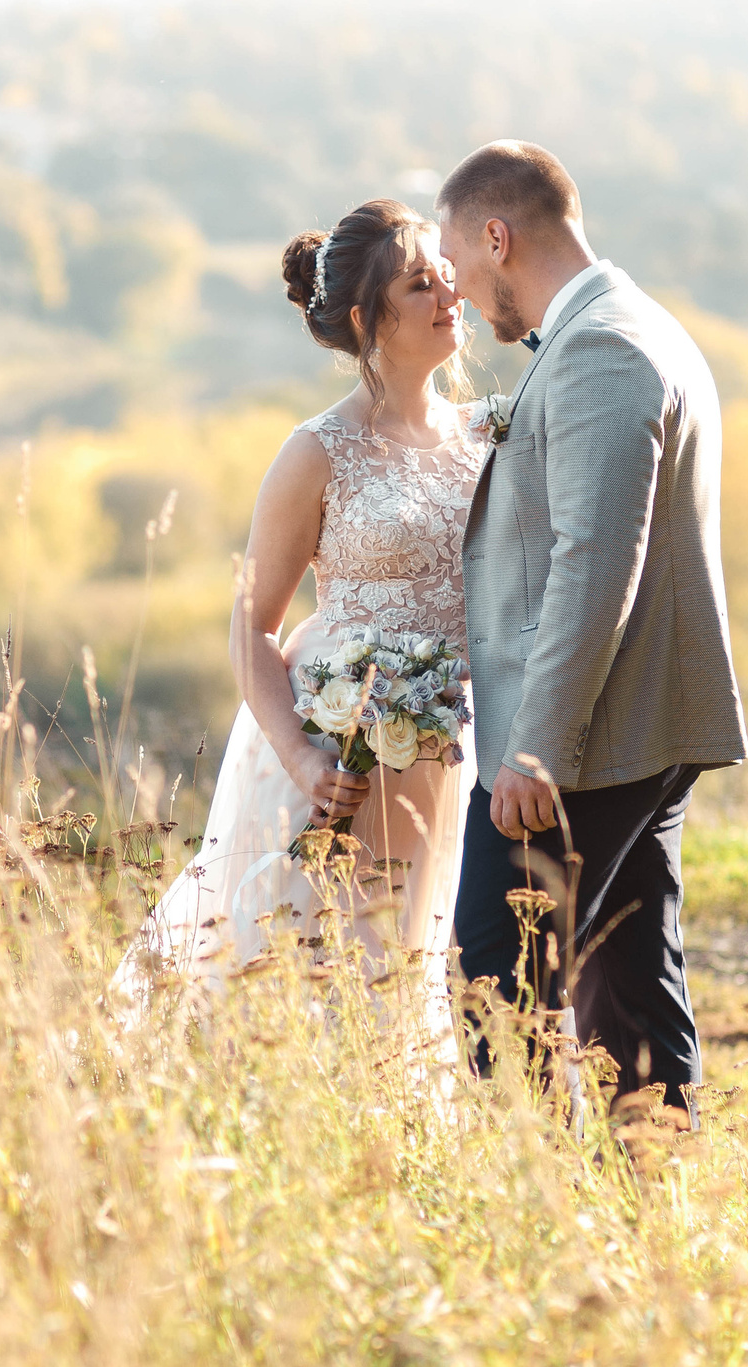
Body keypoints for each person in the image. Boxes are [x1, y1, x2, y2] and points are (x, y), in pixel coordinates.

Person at [435, 140, 748, 1115]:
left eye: (458, 265)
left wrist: (535, 743)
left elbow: (592, 561)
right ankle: (647, 1201)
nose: (461, 294)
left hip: (590, 738)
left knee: (494, 972)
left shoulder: (603, 347)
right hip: (639, 725)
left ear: (498, 235)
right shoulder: (638, 324)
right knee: (628, 976)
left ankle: (534, 1210)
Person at [125, 198, 496, 1008]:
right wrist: (303, 757)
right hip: (340, 742)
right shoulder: (317, 451)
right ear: (368, 319)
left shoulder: (484, 436)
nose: (448, 296)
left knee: (423, 956)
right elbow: (251, 627)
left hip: (453, 741)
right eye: (419, 286)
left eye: (446, 277)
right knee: (317, 964)